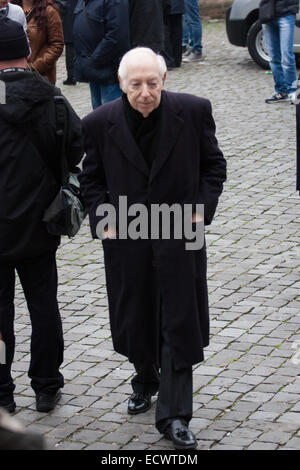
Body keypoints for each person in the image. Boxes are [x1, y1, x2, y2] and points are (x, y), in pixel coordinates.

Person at [79, 47, 226, 449]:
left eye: (152, 83)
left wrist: (200, 210)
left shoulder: (194, 112)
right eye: (136, 84)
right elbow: (90, 178)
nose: (145, 91)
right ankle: (145, 377)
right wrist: (103, 221)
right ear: (122, 84)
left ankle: (175, 415)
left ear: (164, 80)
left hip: (181, 233)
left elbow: (214, 166)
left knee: (178, 320)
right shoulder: (98, 122)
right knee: (136, 315)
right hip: (127, 238)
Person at [0, 17, 83, 414]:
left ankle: (2, 393)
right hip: (40, 223)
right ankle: (47, 386)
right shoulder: (50, 97)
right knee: (43, 306)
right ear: (26, 51)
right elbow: (76, 147)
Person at [73, 0, 130, 110]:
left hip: (108, 71)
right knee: (99, 116)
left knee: (112, 116)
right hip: (93, 70)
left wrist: (94, 60)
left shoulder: (115, 2)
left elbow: (116, 36)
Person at [11, 0, 64, 84]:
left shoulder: (49, 11)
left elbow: (57, 45)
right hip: (12, 77)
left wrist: (34, 67)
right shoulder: (9, 9)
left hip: (40, 79)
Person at [260, 0, 299, 103]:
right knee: (273, 58)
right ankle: (281, 91)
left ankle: (293, 91)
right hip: (268, 14)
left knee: (287, 55)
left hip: (286, 13)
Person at [164, 0, 185, 68]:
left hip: (166, 5)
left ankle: (169, 60)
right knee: (177, 29)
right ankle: (176, 60)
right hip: (177, 4)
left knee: (165, 29)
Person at [60, 0, 77, 85]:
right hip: (77, 19)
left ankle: (71, 77)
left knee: (70, 52)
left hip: (69, 20)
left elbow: (61, 5)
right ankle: (74, 75)